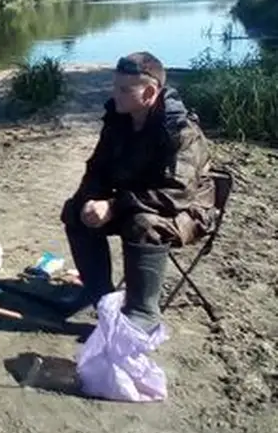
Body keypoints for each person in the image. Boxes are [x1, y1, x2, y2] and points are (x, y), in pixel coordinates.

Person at [60, 51, 216, 332]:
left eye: (123, 89)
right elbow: (97, 169)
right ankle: (98, 295)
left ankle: (142, 311)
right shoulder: (118, 120)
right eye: (114, 86)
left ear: (149, 92)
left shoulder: (180, 132)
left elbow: (175, 194)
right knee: (75, 210)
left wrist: (114, 206)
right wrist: (91, 199)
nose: (114, 94)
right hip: (136, 201)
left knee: (143, 224)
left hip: (188, 211)